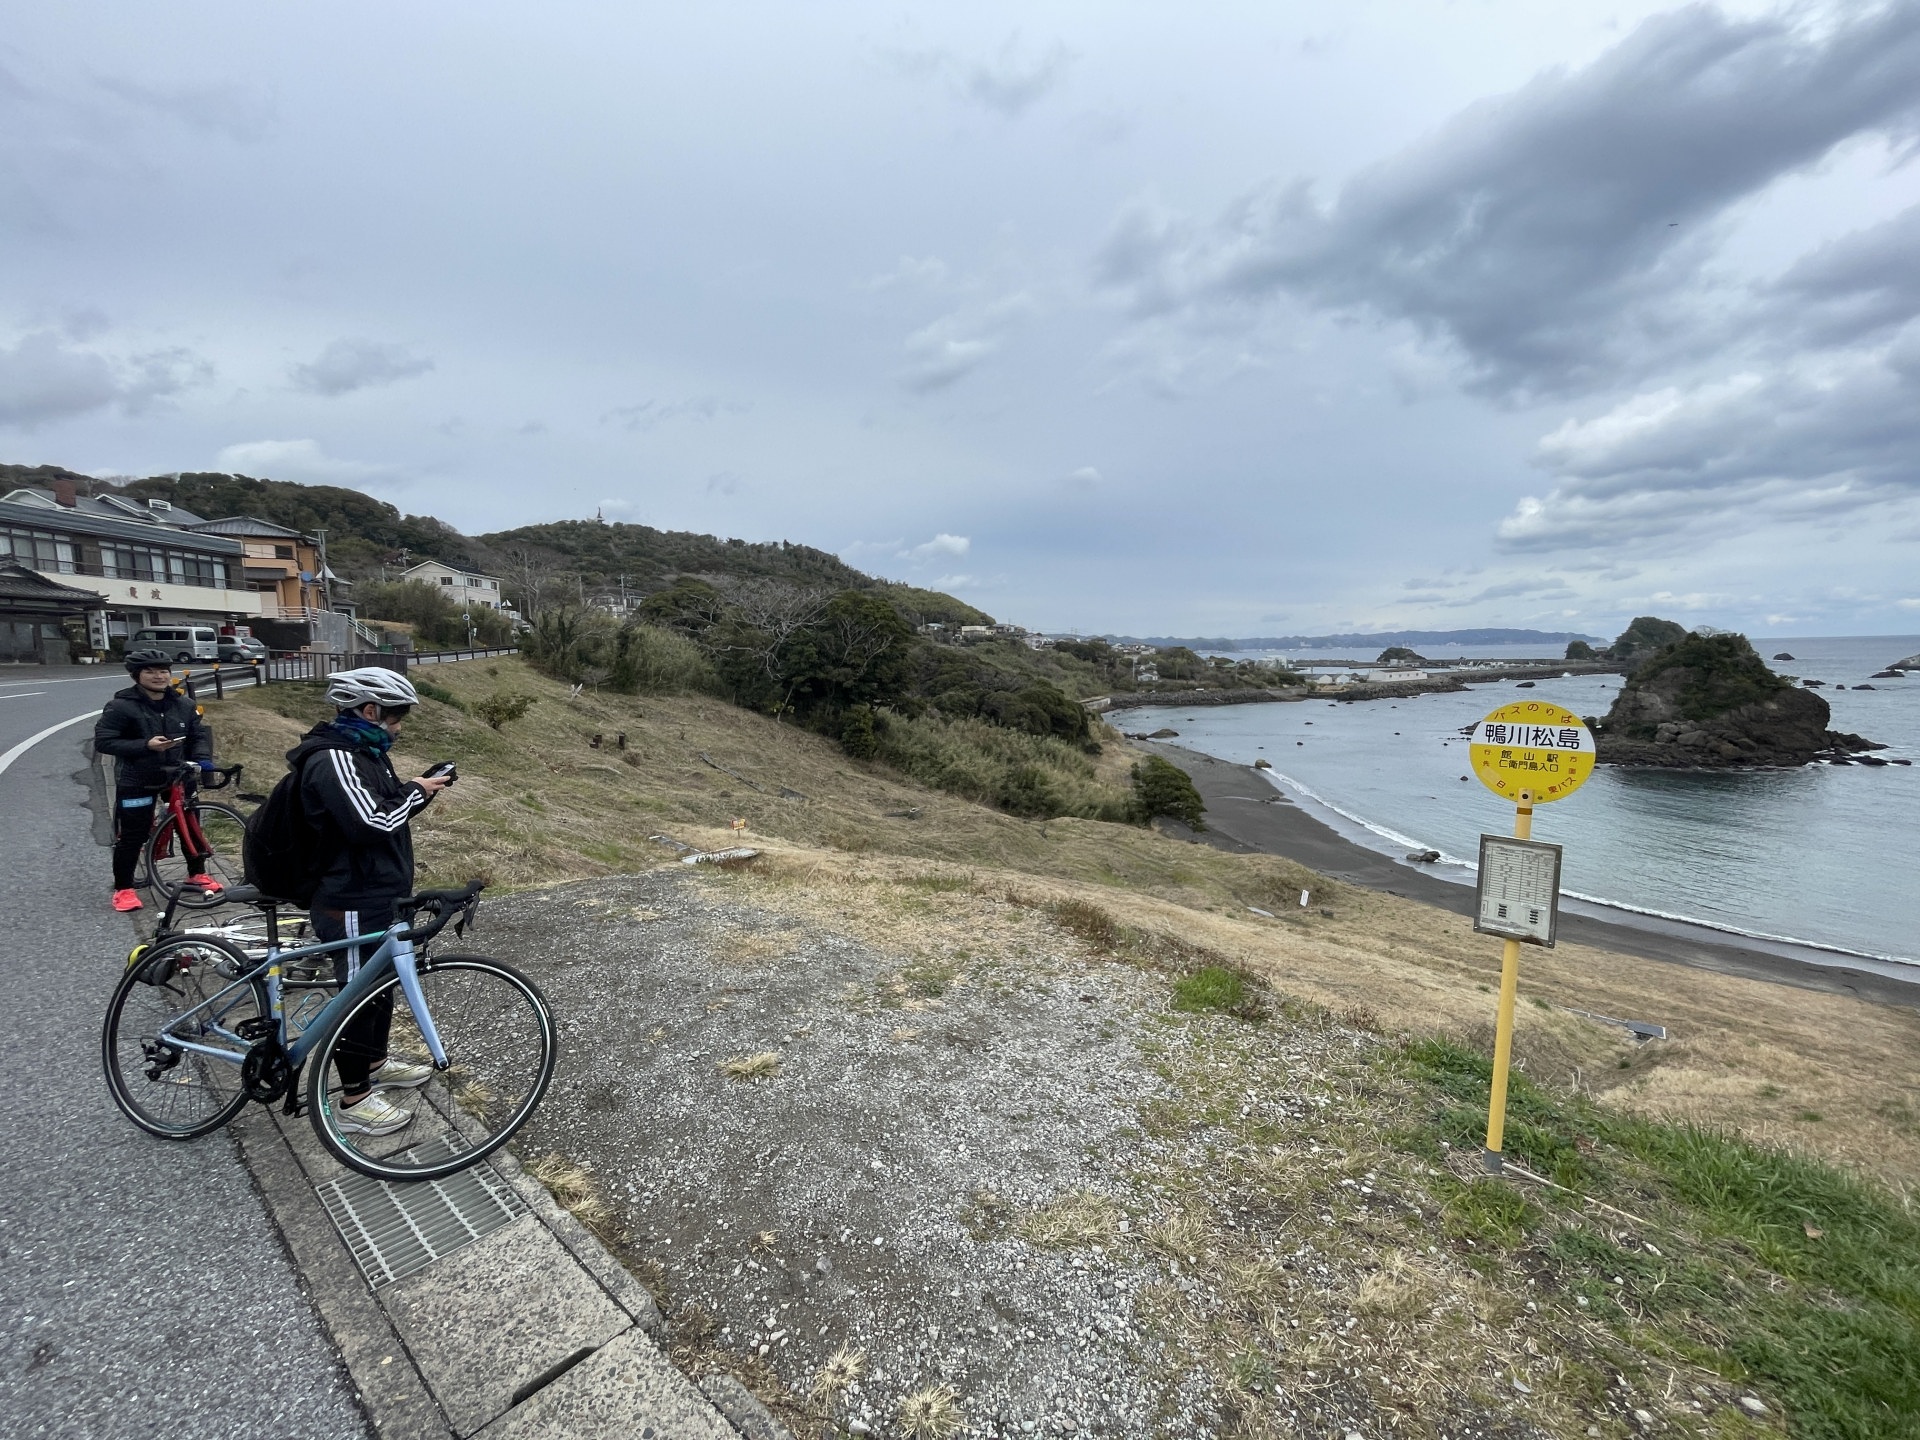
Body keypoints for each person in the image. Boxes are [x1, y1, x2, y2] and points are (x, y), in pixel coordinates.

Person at [287, 666, 453, 1136]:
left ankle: (375, 1063)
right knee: (357, 996)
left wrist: (418, 790)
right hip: (350, 897)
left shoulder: (367, 753)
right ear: (370, 711)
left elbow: (385, 808)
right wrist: (417, 791)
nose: (399, 727)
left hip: (378, 891)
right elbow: (372, 823)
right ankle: (353, 1098)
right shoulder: (334, 758)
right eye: (396, 718)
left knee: (380, 986)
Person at [94, 648, 222, 912]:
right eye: (150, 671)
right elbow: (105, 742)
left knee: (190, 826)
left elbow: (197, 736)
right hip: (138, 777)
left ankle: (197, 874)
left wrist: (202, 760)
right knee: (133, 834)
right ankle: (124, 888)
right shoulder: (121, 706)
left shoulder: (184, 705)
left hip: (178, 774)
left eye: (163, 671)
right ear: (136, 676)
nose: (158, 676)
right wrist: (145, 745)